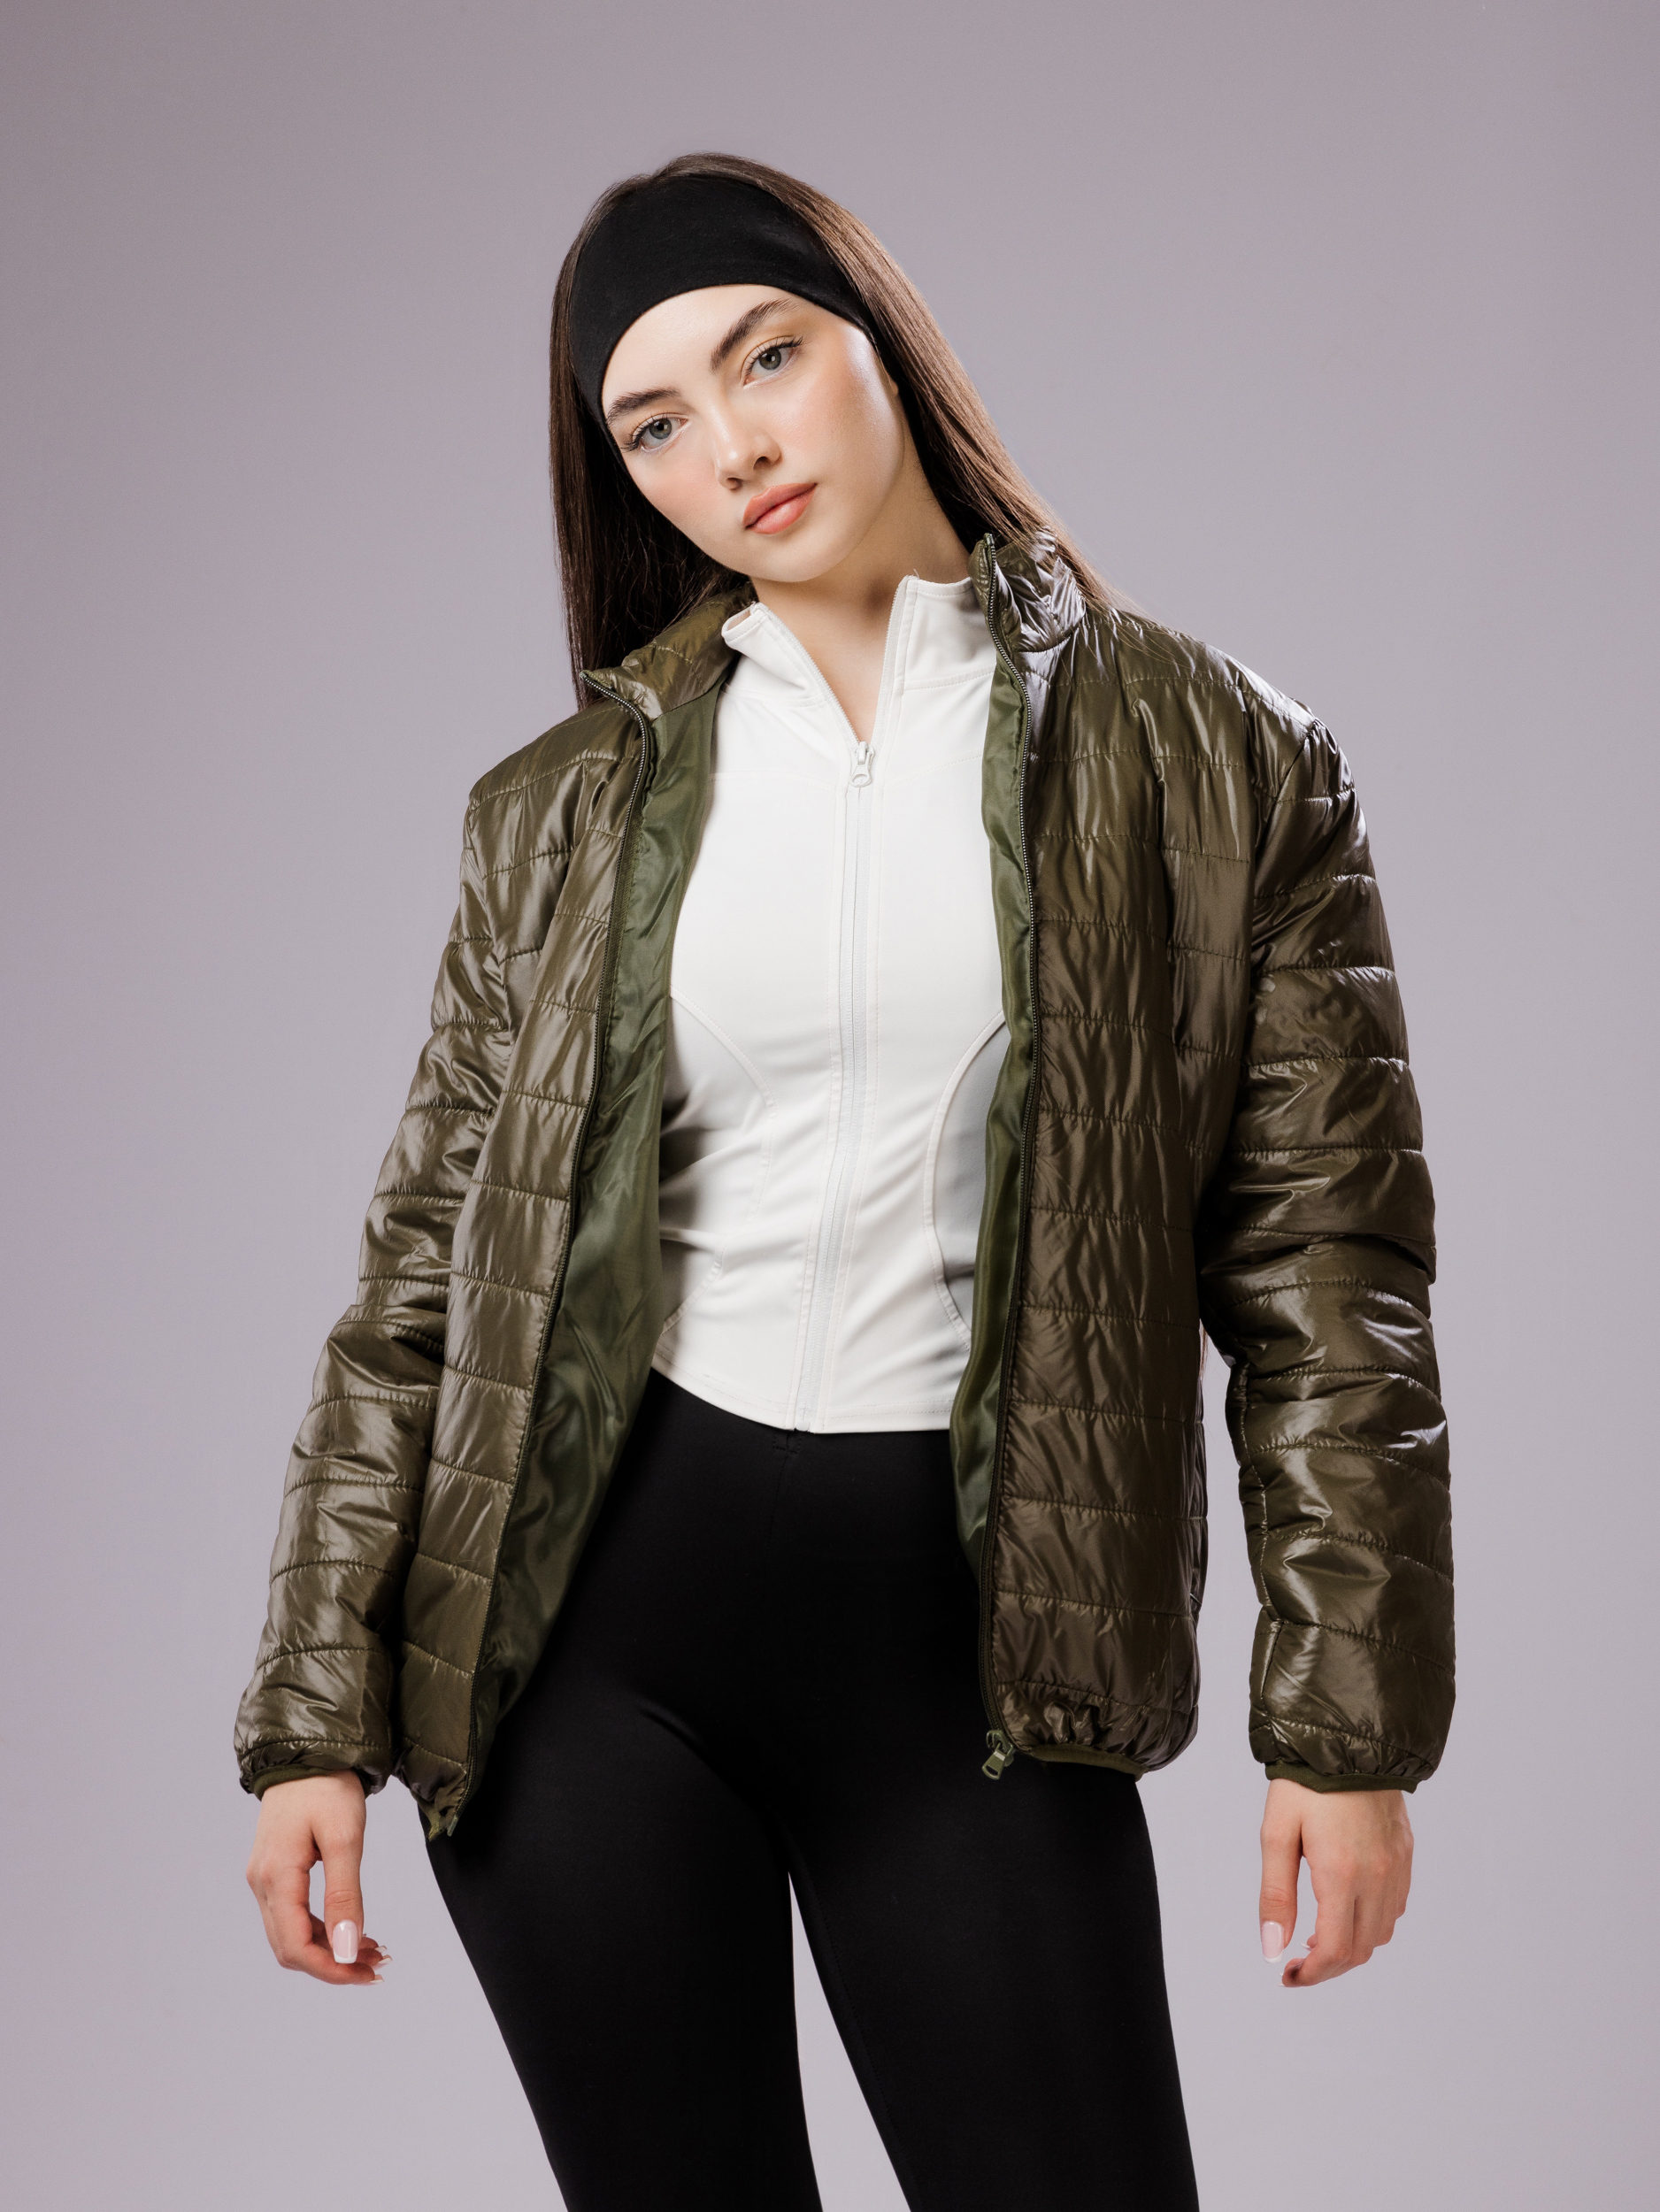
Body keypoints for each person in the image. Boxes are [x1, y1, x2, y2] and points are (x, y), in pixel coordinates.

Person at [236, 153, 1454, 2210]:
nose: (730, 447)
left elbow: (1326, 1272)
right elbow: (425, 1279)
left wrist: (1346, 1723)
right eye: (651, 424)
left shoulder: (1218, 760)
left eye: (764, 357)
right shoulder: (563, 812)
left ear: (879, 340)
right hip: (581, 1657)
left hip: (970, 1663)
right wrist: (308, 1717)